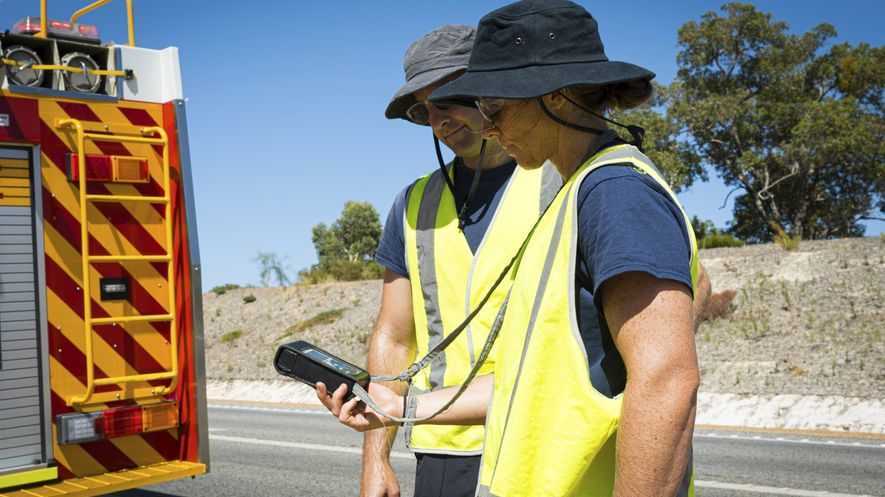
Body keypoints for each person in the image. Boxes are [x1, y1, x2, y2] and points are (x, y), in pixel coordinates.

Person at [318, 2, 711, 496]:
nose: (486, 126)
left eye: (495, 107)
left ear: (559, 97)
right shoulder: (570, 197)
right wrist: (398, 409)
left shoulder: (614, 193)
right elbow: (531, 378)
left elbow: (666, 380)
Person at [348, 25, 560, 497]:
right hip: (442, 450)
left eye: (450, 96)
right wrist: (375, 460)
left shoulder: (562, 179)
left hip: (541, 442)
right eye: (426, 109)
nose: (440, 120)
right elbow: (393, 336)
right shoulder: (413, 204)